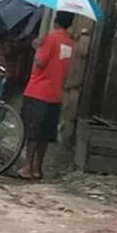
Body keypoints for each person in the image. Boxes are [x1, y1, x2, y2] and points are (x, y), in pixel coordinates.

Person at [18, 11, 77, 181]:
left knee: (32, 132)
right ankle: (38, 168)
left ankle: (27, 166)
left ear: (56, 21)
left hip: (38, 90)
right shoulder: (70, 43)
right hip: (55, 94)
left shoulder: (52, 39)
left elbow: (41, 62)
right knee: (45, 134)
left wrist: (37, 48)